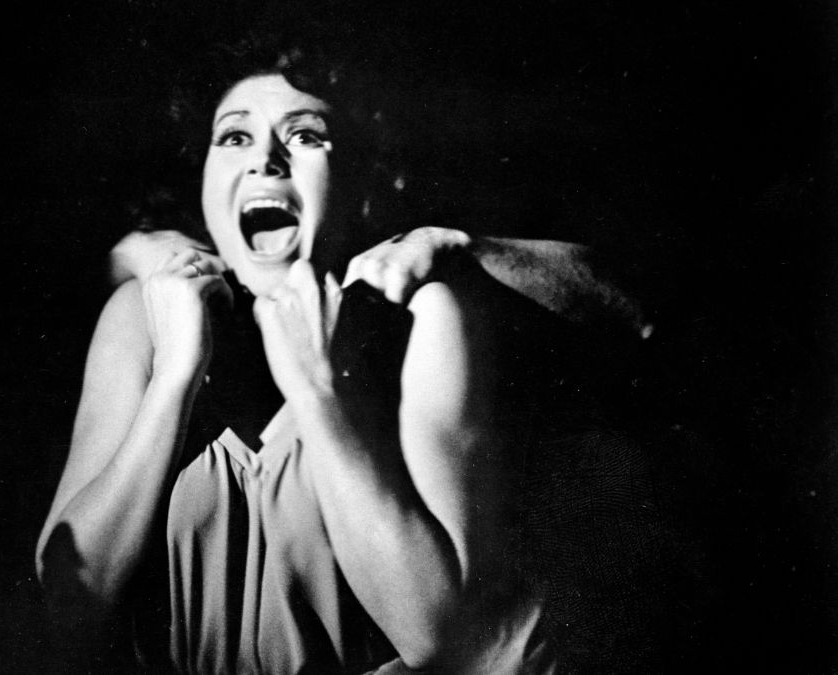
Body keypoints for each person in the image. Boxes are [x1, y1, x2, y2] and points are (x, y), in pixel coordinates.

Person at [36, 40, 652, 674]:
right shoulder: (142, 318)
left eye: (305, 136)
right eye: (235, 138)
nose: (265, 161)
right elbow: (67, 609)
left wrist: (316, 395)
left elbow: (439, 636)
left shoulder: (421, 317)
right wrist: (173, 379)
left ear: (361, 186)